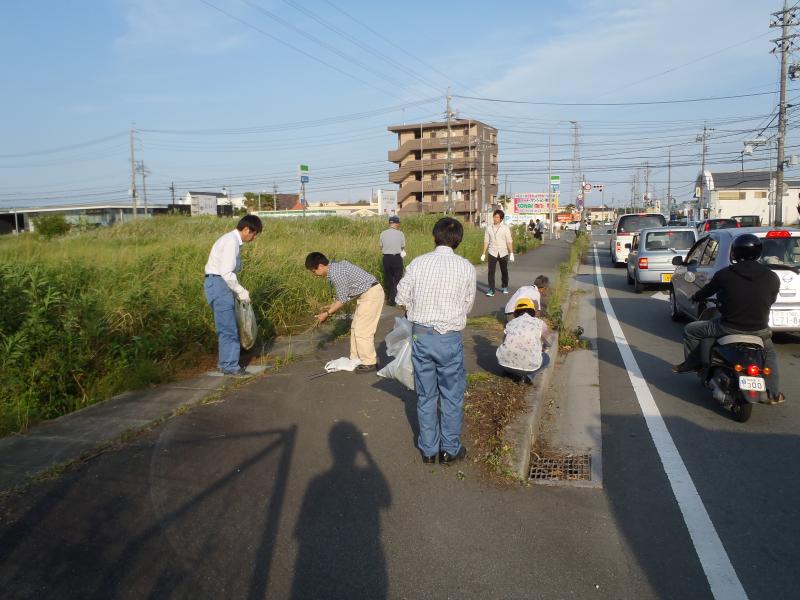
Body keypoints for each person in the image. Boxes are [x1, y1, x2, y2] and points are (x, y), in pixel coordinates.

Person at [395, 217, 476, 465]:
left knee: (425, 395)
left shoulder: (419, 263)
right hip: (449, 338)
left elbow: (400, 297)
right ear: (458, 241)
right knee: (451, 395)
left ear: (434, 237)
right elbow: (467, 304)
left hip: (421, 335)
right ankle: (450, 449)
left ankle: (429, 450)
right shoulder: (466, 267)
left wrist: (412, 310)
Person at [672, 234, 784, 404]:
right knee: (769, 353)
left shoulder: (725, 274)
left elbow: (706, 292)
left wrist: (695, 297)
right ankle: (774, 393)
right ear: (759, 252)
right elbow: (772, 299)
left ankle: (695, 363)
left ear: (735, 253)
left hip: (728, 327)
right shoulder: (772, 277)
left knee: (691, 330)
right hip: (760, 330)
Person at [203, 214, 263, 376]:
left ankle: (226, 363)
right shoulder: (231, 242)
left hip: (219, 284)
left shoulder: (232, 240)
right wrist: (240, 291)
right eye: (254, 233)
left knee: (227, 326)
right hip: (219, 284)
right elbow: (226, 272)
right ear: (245, 229)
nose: (254, 237)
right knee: (228, 328)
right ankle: (229, 366)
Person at [305, 252, 384, 372]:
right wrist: (330, 307)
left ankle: (369, 362)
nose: (314, 275)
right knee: (355, 327)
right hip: (366, 295)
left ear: (320, 266)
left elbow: (342, 300)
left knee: (363, 330)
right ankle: (356, 358)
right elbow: (343, 294)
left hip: (371, 294)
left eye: (314, 271)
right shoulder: (335, 268)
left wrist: (327, 314)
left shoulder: (336, 273)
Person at [496, 298, 553, 384]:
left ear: (516, 312)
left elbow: (504, 341)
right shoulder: (540, 323)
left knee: (508, 354)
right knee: (546, 359)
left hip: (503, 363)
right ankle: (528, 377)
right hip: (529, 367)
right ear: (532, 311)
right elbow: (549, 342)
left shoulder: (510, 323)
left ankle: (510, 372)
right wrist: (542, 346)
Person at [480, 209, 514, 296]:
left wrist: (511, 253)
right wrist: (483, 253)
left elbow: (509, 241)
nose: (495, 219)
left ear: (501, 219)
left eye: (497, 217)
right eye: (494, 217)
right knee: (491, 272)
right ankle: (491, 289)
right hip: (492, 251)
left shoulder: (505, 228)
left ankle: (504, 286)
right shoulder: (489, 228)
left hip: (503, 252)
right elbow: (486, 241)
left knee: (504, 271)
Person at [379, 215, 406, 306]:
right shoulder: (400, 233)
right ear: (396, 224)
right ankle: (393, 299)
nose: (399, 225)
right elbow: (402, 246)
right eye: (399, 223)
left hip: (386, 258)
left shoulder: (382, 233)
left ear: (390, 224)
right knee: (397, 279)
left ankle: (391, 298)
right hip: (396, 258)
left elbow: (381, 246)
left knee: (389, 279)